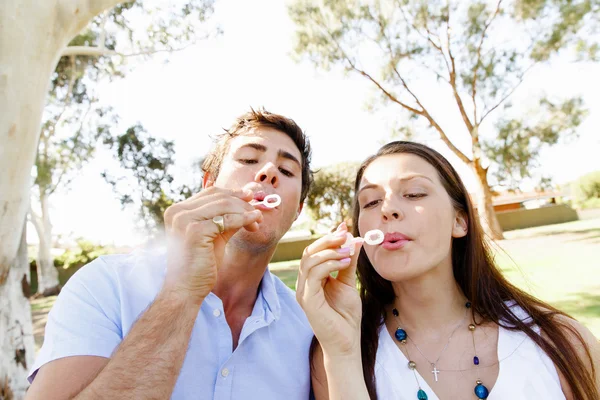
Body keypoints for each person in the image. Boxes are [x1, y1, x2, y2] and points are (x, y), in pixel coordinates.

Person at [26, 109, 315, 400]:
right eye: (249, 159)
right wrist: (181, 293)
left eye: (287, 171)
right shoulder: (104, 285)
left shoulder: (309, 327)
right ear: (209, 185)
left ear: (298, 210)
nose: (268, 172)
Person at [297, 141, 600, 400]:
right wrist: (342, 354)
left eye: (414, 193)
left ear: (459, 221)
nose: (386, 209)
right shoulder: (337, 354)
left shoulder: (562, 341)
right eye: (371, 201)